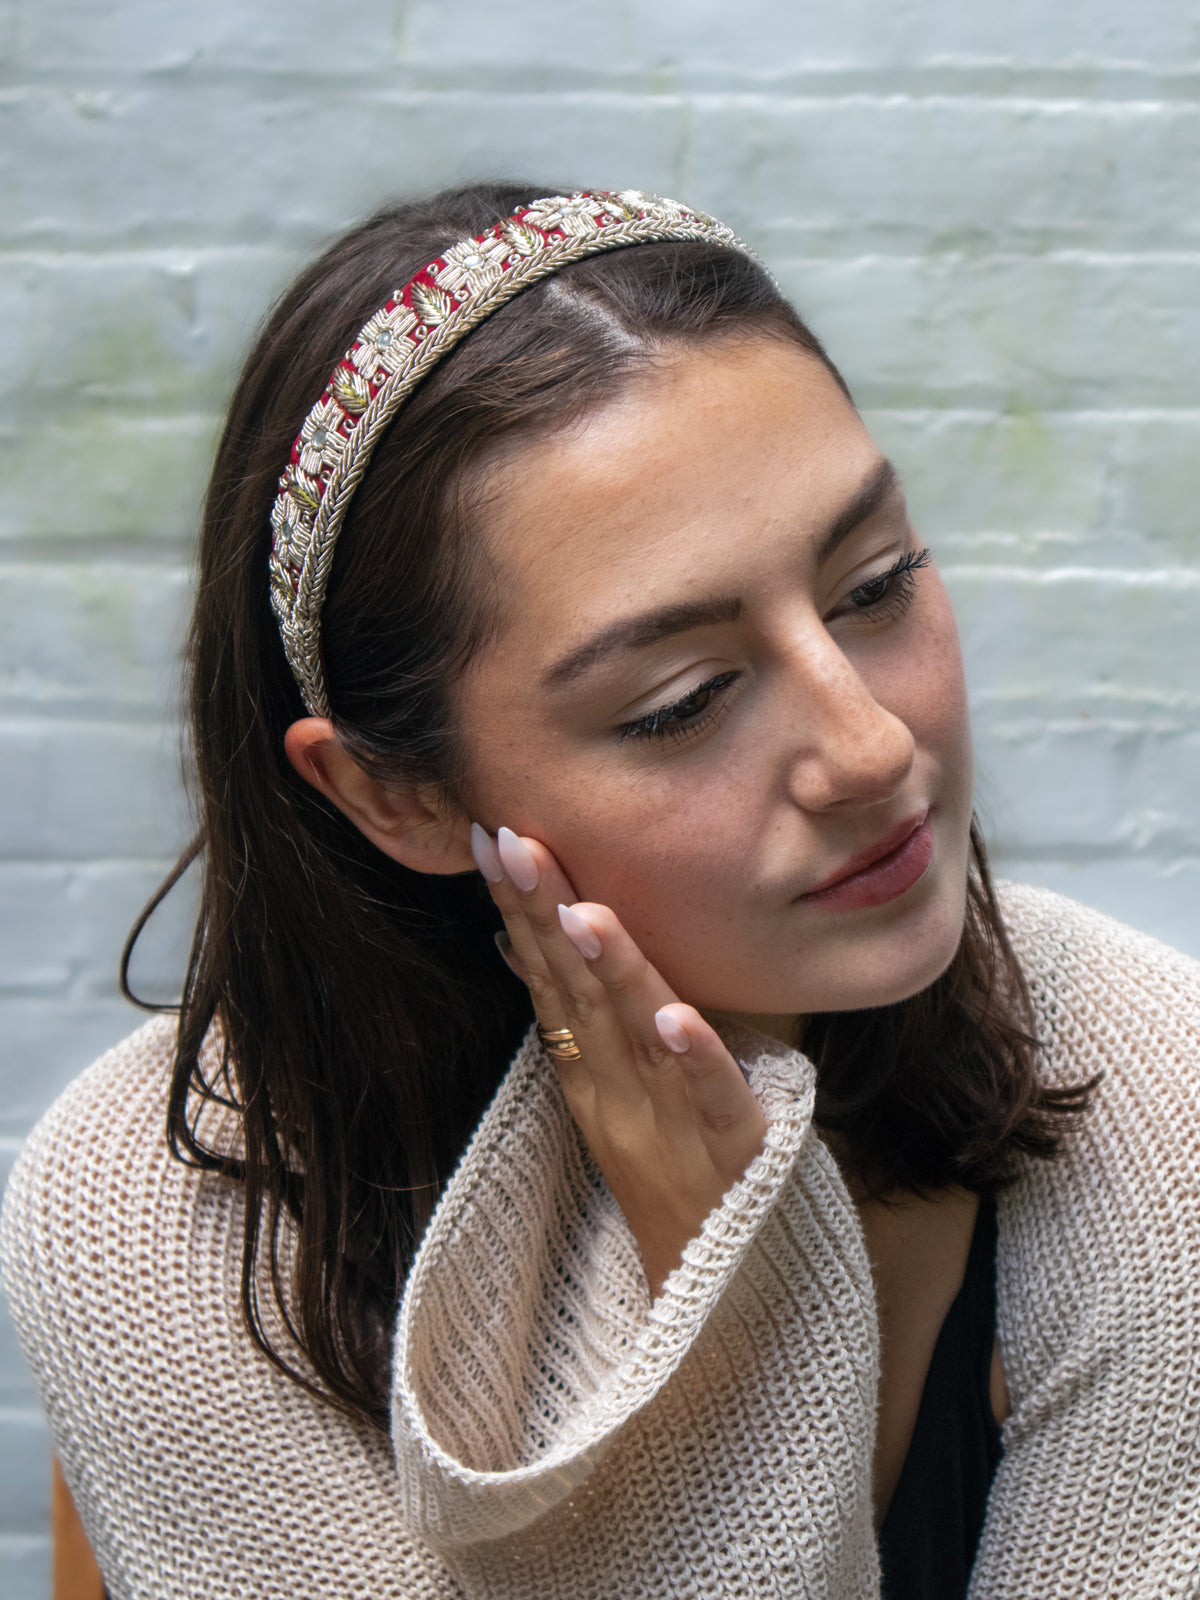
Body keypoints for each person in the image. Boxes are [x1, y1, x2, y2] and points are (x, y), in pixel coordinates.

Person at [2, 182, 1198, 1600]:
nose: (872, 746)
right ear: (399, 796)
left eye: (876, 585)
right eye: (682, 700)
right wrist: (729, 1347)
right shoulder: (159, 1215)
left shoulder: (1153, 1090)